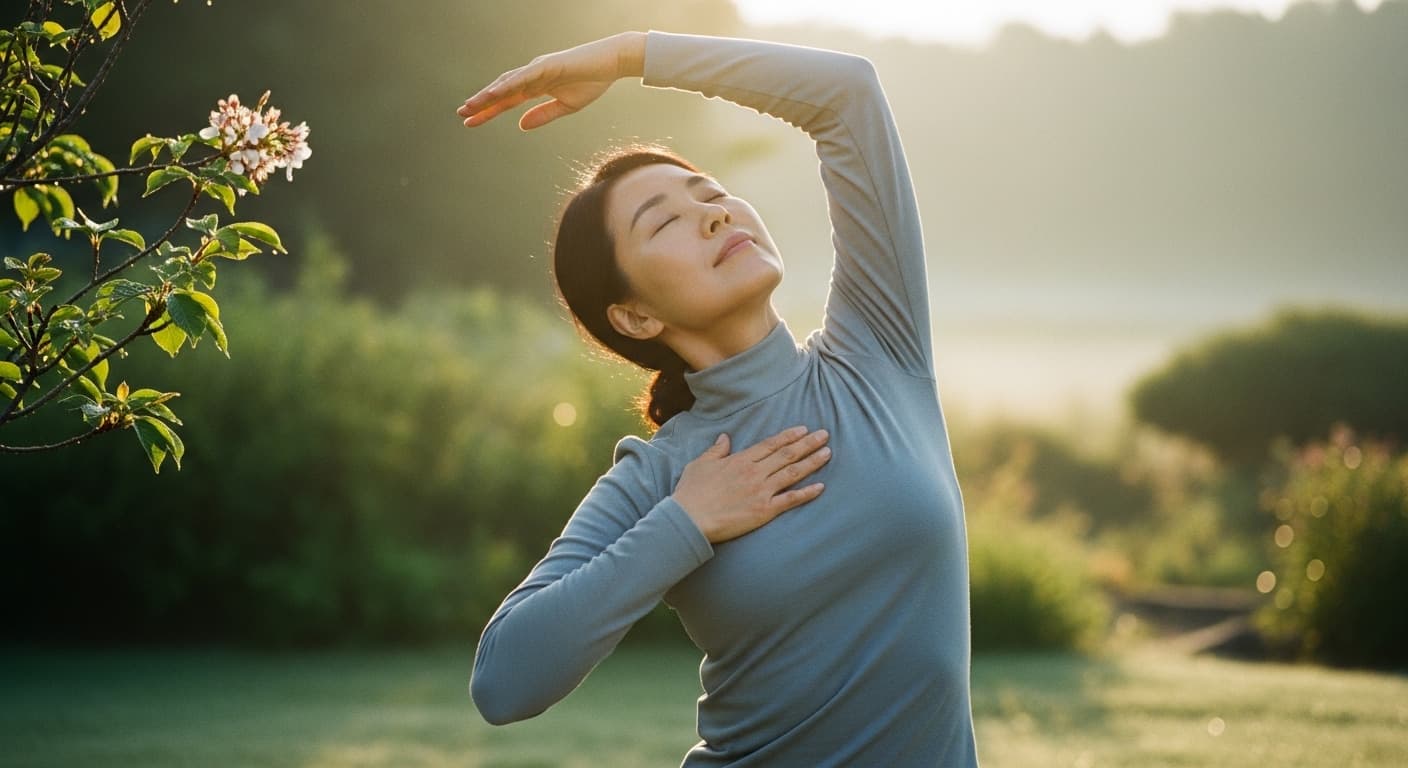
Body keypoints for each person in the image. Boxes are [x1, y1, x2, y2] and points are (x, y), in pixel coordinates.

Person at [457, 29, 977, 767]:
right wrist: (685, 523)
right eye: (665, 221)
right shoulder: (662, 477)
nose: (715, 213)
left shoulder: (879, 351)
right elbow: (502, 681)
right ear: (636, 317)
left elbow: (847, 93)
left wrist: (628, 57)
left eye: (712, 193)